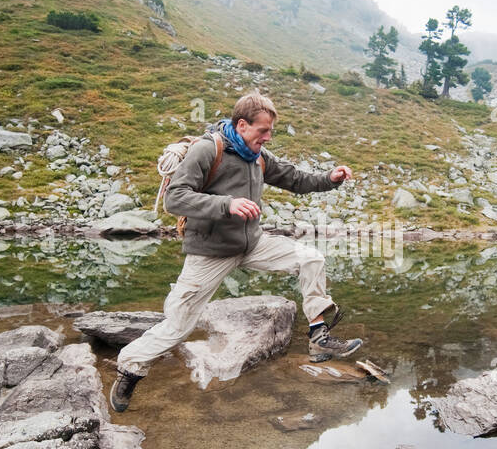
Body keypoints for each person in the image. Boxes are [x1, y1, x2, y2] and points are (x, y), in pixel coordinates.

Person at [109, 91, 363, 412]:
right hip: (210, 252)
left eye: (270, 132)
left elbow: (295, 179)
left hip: (252, 244)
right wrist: (226, 204)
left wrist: (330, 179)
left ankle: (318, 336)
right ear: (242, 125)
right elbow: (175, 199)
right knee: (178, 325)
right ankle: (131, 367)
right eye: (263, 131)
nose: (268, 138)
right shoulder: (206, 151)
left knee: (311, 259)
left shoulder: (258, 156)